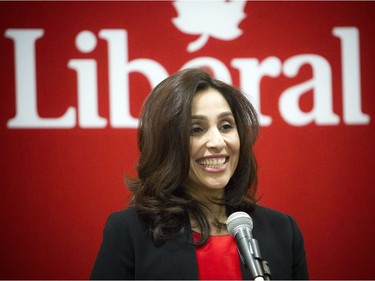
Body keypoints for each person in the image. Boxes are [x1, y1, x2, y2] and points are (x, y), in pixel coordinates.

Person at [90, 68, 309, 280]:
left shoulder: (282, 231)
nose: (217, 142)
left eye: (225, 126)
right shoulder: (129, 232)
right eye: (196, 129)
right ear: (167, 144)